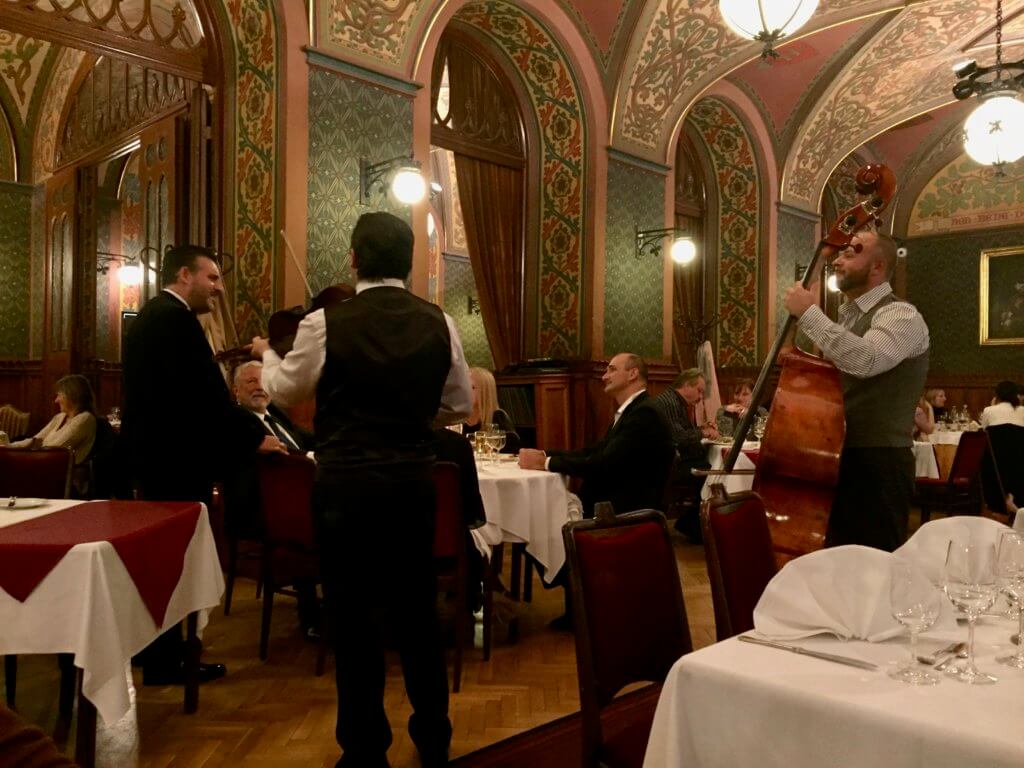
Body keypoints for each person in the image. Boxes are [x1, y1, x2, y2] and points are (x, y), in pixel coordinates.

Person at [253, 211, 472, 768]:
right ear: (411, 261)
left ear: (354, 259)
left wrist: (268, 355)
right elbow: (461, 402)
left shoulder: (326, 323)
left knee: (352, 619)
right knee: (418, 614)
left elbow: (283, 389)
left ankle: (365, 751)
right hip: (412, 484)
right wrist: (413, 408)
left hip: (346, 487)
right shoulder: (439, 321)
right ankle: (434, 740)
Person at [121, 244, 269, 686]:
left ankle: (156, 650)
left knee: (160, 559)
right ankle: (169, 661)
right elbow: (203, 399)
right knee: (177, 562)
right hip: (178, 463)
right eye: (213, 278)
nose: (219, 289)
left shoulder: (152, 317)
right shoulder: (175, 320)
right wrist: (255, 436)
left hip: (156, 459)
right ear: (185, 275)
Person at [784, 229, 929, 552]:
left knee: (874, 565)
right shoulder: (848, 317)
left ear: (877, 267)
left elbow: (867, 359)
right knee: (841, 563)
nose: (838, 260)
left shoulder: (900, 314)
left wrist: (809, 313)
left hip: (878, 464)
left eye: (851, 253)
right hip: (838, 456)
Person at [228, 360, 320, 640]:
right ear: (236, 390)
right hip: (261, 506)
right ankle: (314, 618)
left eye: (263, 381)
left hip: (297, 497)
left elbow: (306, 442)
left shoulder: (273, 414)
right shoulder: (237, 421)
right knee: (319, 524)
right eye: (251, 382)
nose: (259, 388)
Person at [519, 353, 674, 517]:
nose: (604, 376)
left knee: (539, 511)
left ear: (633, 374)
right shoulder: (635, 410)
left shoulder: (644, 413)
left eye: (612, 370)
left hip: (622, 511)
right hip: (612, 502)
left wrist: (546, 463)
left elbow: (603, 463)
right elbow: (596, 451)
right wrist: (545, 454)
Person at [650, 368, 716, 541]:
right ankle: (691, 526)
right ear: (687, 385)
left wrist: (701, 429)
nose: (700, 396)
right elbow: (678, 438)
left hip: (669, 460)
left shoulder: (675, 400)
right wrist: (704, 433)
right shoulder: (670, 403)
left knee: (708, 467)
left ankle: (691, 525)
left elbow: (684, 432)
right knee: (710, 472)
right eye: (699, 390)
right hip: (665, 466)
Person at [5, 374, 97, 466]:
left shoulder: (85, 418)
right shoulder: (60, 417)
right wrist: (8, 446)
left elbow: (55, 449)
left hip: (59, 470)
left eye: (59, 395)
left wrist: (31, 450)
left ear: (72, 396)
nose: (56, 400)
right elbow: (35, 440)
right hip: (44, 462)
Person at [464, 367, 520, 453]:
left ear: (485, 392)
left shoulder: (498, 417)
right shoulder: (457, 420)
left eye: (472, 387)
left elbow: (512, 448)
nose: (465, 391)